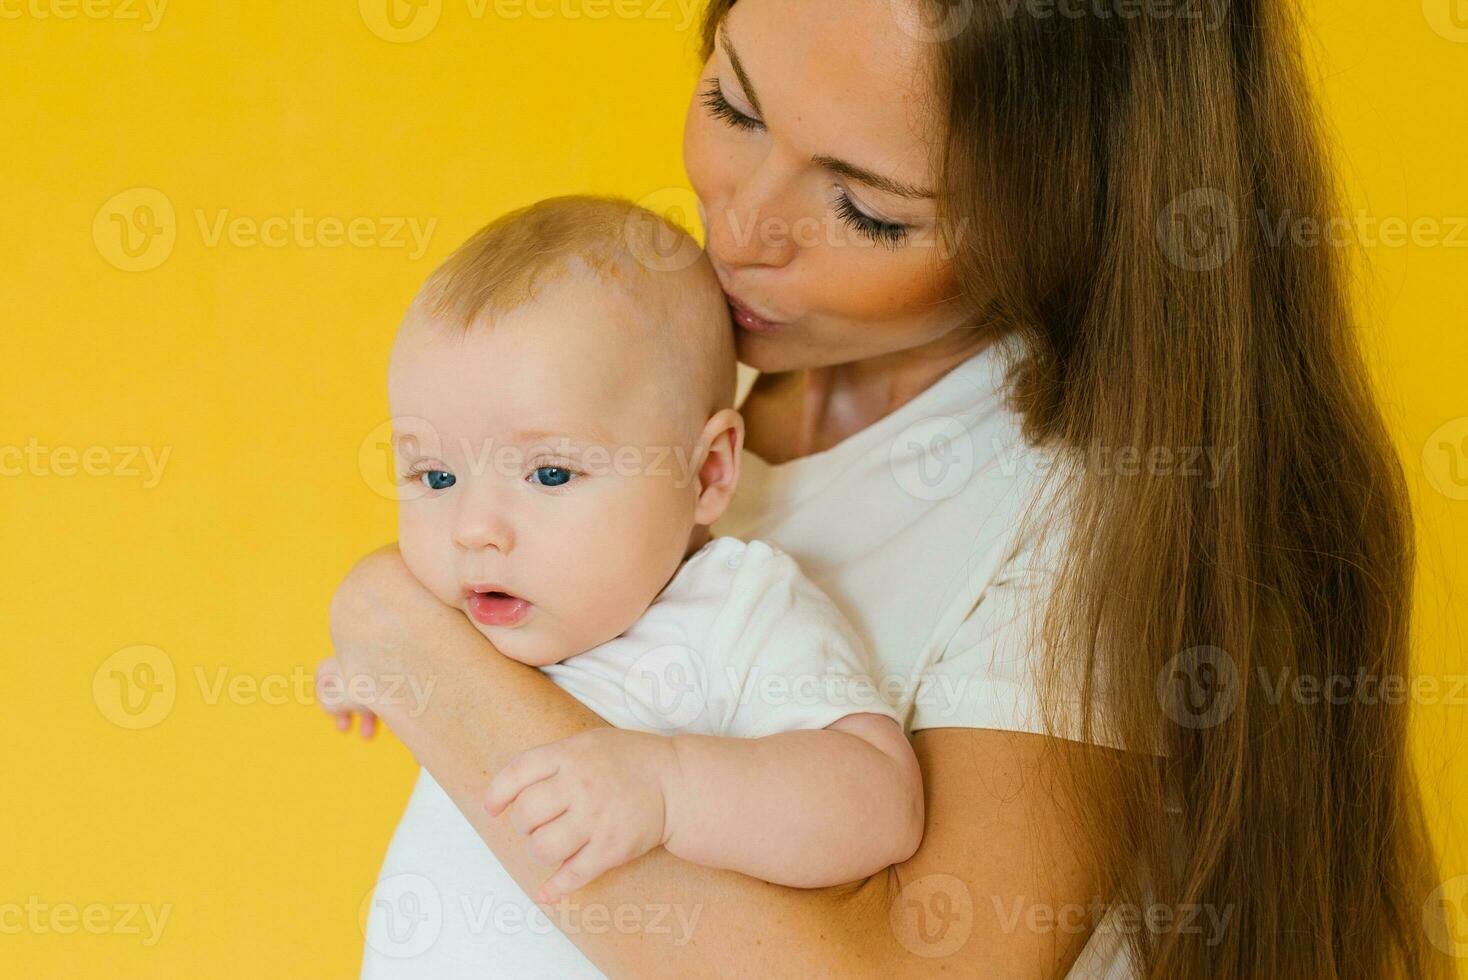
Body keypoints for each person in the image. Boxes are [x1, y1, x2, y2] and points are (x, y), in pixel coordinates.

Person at [325, 0, 1450, 976]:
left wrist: (407, 638)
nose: (741, 229)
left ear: (1074, 217)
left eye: (869, 211)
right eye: (733, 103)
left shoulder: (1094, 509)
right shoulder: (644, 379)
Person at [318, 194, 926, 974]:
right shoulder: (493, 616)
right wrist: (385, 678)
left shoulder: (736, 609)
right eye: (435, 474)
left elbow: (879, 802)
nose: (474, 527)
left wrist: (671, 788)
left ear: (706, 473)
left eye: (548, 472)